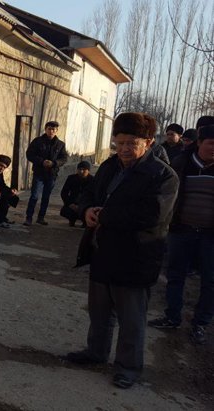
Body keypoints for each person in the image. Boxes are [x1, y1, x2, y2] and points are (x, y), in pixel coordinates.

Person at [66, 112, 179, 389]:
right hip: (102, 251)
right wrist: (86, 210)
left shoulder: (163, 175)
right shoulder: (109, 166)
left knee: (131, 318)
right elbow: (90, 193)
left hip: (136, 256)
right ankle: (96, 352)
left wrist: (103, 215)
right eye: (120, 142)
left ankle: (128, 367)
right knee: (99, 311)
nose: (125, 149)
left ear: (148, 143)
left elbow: (151, 215)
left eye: (132, 143)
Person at [148, 125, 214, 344]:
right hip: (181, 230)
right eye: (211, 143)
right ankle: (172, 316)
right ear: (199, 143)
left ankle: (201, 323)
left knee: (210, 281)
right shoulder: (181, 164)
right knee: (175, 275)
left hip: (210, 236)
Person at [24, 120, 69, 226]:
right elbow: (29, 154)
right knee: (34, 196)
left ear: (56, 131)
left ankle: (41, 217)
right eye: (49, 129)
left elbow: (64, 158)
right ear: (45, 129)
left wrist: (54, 163)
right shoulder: (37, 141)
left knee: (46, 197)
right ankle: (28, 218)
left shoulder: (60, 144)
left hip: (51, 174)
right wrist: (42, 161)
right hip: (39, 173)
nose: (51, 131)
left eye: (53, 129)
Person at [60, 161, 95, 227]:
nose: (81, 171)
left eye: (84, 170)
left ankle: (85, 222)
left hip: (86, 205)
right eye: (79, 169)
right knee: (65, 211)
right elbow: (64, 193)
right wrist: (70, 204)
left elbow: (94, 196)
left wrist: (84, 206)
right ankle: (72, 219)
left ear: (88, 171)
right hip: (73, 203)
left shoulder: (93, 180)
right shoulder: (71, 178)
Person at [0, 155, 19, 228]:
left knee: (13, 197)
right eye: (1, 165)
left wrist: (11, 190)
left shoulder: (0, 173)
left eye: (4, 167)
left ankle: (2, 217)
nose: (2, 168)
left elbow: (2, 185)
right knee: (4, 199)